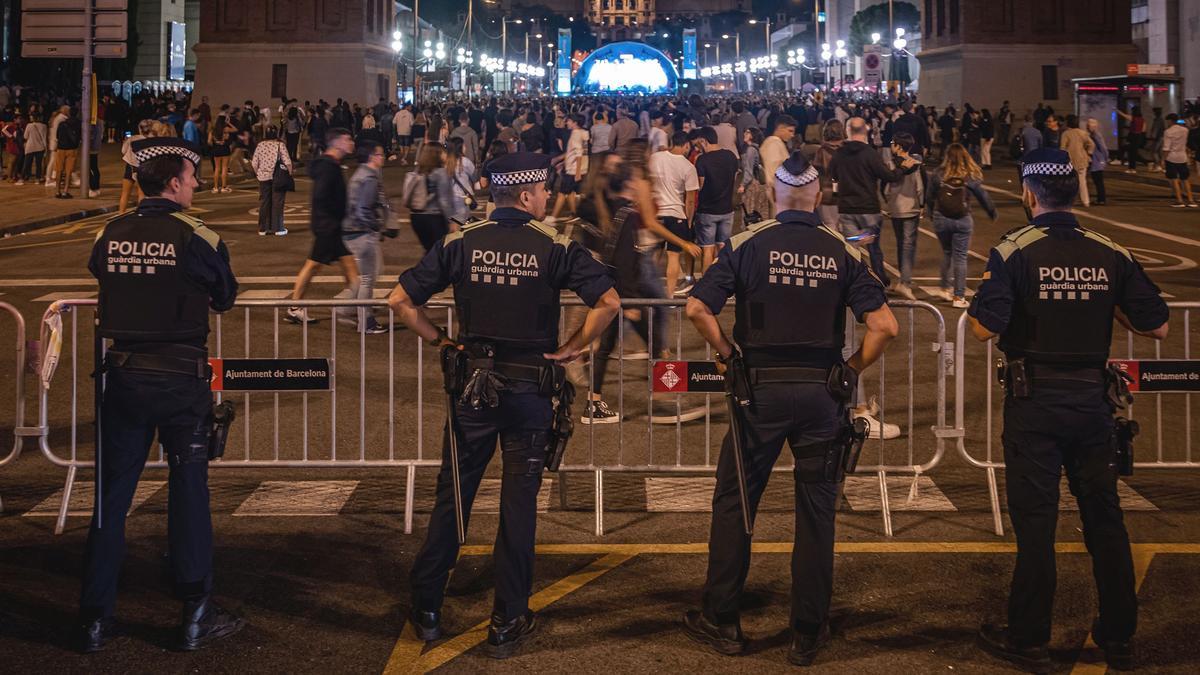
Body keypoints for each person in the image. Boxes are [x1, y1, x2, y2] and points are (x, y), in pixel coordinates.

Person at [388, 151, 620, 659]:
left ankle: (427, 605)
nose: (545, 199)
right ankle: (508, 617)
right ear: (525, 195)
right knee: (519, 506)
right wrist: (575, 345)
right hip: (530, 390)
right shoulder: (554, 245)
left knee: (454, 495)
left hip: (472, 383)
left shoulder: (461, 241)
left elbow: (399, 301)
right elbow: (609, 302)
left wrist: (441, 342)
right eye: (541, 192)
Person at [682, 151, 898, 667]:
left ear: (771, 194)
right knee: (817, 510)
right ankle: (807, 629)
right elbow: (885, 325)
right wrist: (850, 370)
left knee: (737, 503)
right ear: (818, 195)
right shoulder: (842, 250)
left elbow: (696, 307)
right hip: (822, 391)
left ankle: (724, 618)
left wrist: (727, 355)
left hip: (758, 391)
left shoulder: (745, 244)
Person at [968, 148, 1170, 673]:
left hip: (1035, 401)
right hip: (1091, 402)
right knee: (1104, 517)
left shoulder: (1014, 250)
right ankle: (1119, 634)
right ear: (1074, 191)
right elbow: (1159, 325)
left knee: (1036, 524)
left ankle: (1029, 636)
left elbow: (985, 327)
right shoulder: (1110, 250)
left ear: (1029, 194)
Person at [80, 137, 241, 653]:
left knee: (110, 499)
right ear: (174, 183)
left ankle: (94, 616)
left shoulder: (112, 231)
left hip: (123, 378)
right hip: (180, 382)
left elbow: (100, 273)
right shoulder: (199, 237)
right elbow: (225, 297)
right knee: (188, 490)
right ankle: (195, 609)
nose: (195, 185)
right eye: (191, 179)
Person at [828, 117, 919, 288]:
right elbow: (888, 176)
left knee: (852, 247)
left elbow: (832, 175)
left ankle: (853, 281)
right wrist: (903, 168)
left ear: (847, 131)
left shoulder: (839, 154)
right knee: (874, 248)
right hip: (868, 208)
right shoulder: (870, 154)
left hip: (847, 208)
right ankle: (879, 280)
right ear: (866, 130)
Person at [286, 127, 361, 325]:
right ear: (336, 143)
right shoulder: (328, 167)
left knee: (349, 266)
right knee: (313, 266)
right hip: (328, 227)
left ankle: (355, 306)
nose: (351, 142)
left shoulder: (331, 165)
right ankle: (295, 307)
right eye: (348, 139)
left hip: (331, 226)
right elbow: (321, 195)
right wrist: (332, 216)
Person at [927, 143, 997, 308]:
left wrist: (931, 214)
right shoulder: (969, 176)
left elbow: (929, 196)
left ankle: (944, 288)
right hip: (962, 219)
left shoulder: (938, 174)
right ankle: (958, 297)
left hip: (941, 219)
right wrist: (991, 211)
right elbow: (982, 195)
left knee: (947, 252)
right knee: (960, 257)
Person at [341, 139, 392, 334]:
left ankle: (348, 308)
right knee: (367, 279)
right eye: (380, 154)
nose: (383, 157)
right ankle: (366, 322)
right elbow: (364, 209)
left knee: (366, 276)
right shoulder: (369, 178)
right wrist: (376, 227)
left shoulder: (360, 173)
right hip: (361, 233)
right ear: (372, 157)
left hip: (352, 232)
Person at [650, 131, 702, 298]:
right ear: (686, 145)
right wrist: (688, 220)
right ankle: (670, 296)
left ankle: (648, 292)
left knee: (654, 255)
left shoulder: (655, 158)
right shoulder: (688, 167)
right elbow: (691, 200)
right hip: (677, 215)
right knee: (673, 257)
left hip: (657, 214)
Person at [883, 132, 924, 300]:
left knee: (901, 244)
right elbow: (919, 187)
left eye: (893, 143)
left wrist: (889, 201)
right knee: (908, 246)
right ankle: (905, 282)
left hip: (895, 209)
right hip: (911, 208)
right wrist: (922, 204)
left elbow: (885, 189)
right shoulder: (916, 164)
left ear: (899, 147)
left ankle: (902, 278)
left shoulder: (890, 164)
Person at [694, 126, 740, 272]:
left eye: (698, 143)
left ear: (703, 141)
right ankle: (721, 281)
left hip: (707, 211)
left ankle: (706, 283)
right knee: (723, 248)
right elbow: (733, 178)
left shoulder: (702, 160)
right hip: (727, 209)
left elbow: (699, 185)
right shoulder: (731, 156)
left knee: (707, 249)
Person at [403, 143, 456, 251]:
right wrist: (452, 220)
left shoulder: (418, 171)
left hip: (416, 217)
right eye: (443, 152)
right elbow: (444, 200)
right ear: (437, 154)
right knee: (438, 253)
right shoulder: (441, 173)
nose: (446, 155)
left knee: (429, 251)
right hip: (434, 217)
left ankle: (426, 267)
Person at [250, 125, 292, 236]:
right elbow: (287, 162)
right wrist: (289, 174)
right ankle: (278, 228)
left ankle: (262, 228)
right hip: (278, 177)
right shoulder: (280, 145)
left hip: (263, 177)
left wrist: (258, 173)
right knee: (278, 202)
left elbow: (254, 163)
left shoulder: (260, 145)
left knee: (264, 202)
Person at [547, 114, 589, 223]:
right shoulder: (584, 133)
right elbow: (574, 153)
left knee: (562, 193)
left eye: (569, 121)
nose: (567, 123)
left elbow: (578, 154)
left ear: (575, 123)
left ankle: (552, 217)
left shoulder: (575, 135)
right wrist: (563, 162)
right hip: (579, 167)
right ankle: (574, 213)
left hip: (573, 170)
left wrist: (577, 173)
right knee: (570, 192)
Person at [1060, 114, 1096, 207]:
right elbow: (1091, 144)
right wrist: (1089, 153)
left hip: (1070, 161)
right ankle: (1086, 201)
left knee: (1068, 182)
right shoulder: (1082, 133)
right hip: (1082, 160)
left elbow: (1063, 148)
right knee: (1082, 182)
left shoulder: (1066, 134)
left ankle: (1069, 200)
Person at [1162, 113, 1197, 208]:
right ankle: (1191, 200)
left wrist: (1163, 160)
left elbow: (1166, 148)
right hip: (1183, 157)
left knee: (1174, 179)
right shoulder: (1185, 130)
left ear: (1170, 121)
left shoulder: (1168, 132)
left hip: (1171, 157)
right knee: (1185, 179)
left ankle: (1179, 200)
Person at [53, 107, 83, 199]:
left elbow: (57, 136)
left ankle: (57, 191)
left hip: (61, 148)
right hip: (72, 149)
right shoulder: (79, 124)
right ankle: (65, 191)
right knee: (69, 171)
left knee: (59, 170)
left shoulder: (62, 124)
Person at [208, 113, 236, 194]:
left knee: (217, 168)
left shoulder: (213, 130)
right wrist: (228, 123)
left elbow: (209, 142)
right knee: (224, 168)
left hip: (216, 149)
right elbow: (235, 129)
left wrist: (216, 142)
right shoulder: (226, 129)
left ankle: (215, 187)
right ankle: (224, 187)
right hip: (225, 149)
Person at [1086, 118, 1110, 206]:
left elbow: (1103, 148)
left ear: (1094, 126)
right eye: (1087, 125)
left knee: (1098, 181)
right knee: (1097, 181)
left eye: (1089, 125)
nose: (1087, 127)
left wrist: (1105, 159)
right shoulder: (1092, 135)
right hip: (1096, 161)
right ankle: (1100, 198)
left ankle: (1101, 199)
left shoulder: (1096, 135)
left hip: (1098, 161)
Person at [19, 111, 48, 185]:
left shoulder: (29, 125)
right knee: (38, 164)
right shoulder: (44, 126)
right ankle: (37, 179)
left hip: (30, 147)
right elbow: (44, 138)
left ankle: (22, 179)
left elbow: (25, 136)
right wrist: (45, 148)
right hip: (40, 147)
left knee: (27, 163)